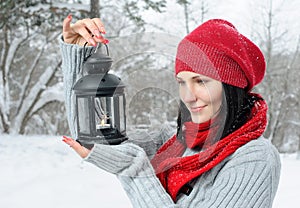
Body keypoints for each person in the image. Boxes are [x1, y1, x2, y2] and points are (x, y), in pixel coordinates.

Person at [60, 14, 281, 207]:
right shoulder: (175, 141)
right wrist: (79, 55)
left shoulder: (255, 159)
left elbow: (126, 158)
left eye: (200, 81)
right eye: (181, 82)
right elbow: (92, 136)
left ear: (230, 86)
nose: (188, 96)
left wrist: (134, 167)